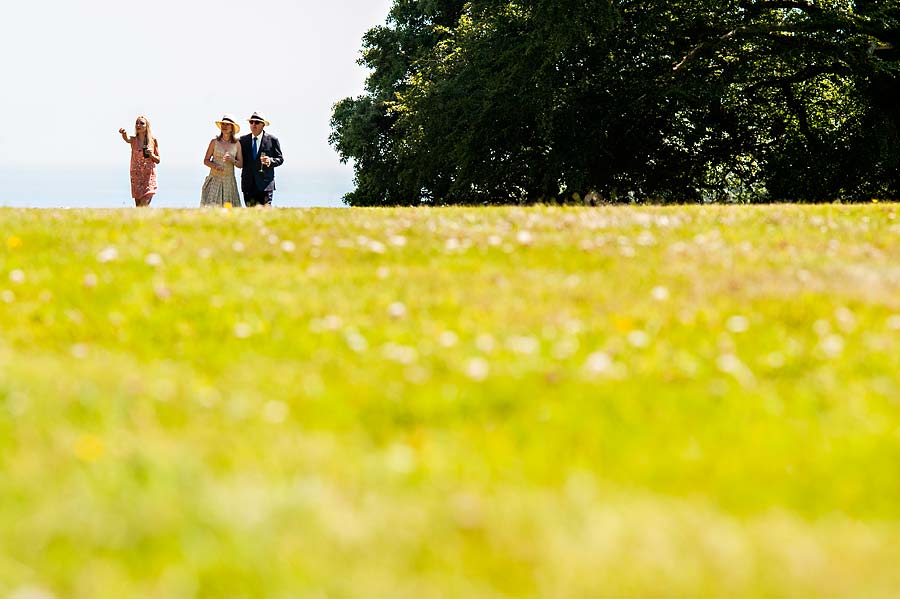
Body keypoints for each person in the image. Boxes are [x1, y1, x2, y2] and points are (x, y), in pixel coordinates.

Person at [239, 112, 283, 207]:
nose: (253, 124)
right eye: (251, 122)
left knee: (266, 213)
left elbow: (280, 159)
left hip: (266, 185)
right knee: (250, 214)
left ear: (263, 124)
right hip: (248, 184)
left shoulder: (272, 140)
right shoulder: (242, 140)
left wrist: (270, 161)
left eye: (257, 122)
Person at [201, 115, 244, 207]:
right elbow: (206, 160)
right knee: (211, 209)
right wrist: (215, 166)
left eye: (227, 124)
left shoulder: (237, 144)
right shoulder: (214, 142)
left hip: (229, 182)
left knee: (230, 211)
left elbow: (240, 164)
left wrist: (232, 160)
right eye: (223, 124)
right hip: (214, 180)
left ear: (232, 127)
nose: (224, 126)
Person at [118, 115, 160, 207]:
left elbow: (158, 160)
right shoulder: (133, 140)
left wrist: (151, 155)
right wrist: (123, 134)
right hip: (136, 176)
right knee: (139, 207)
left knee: (145, 203)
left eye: (141, 123)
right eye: (137, 123)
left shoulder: (153, 141)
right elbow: (127, 139)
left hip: (149, 177)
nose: (138, 125)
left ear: (147, 126)